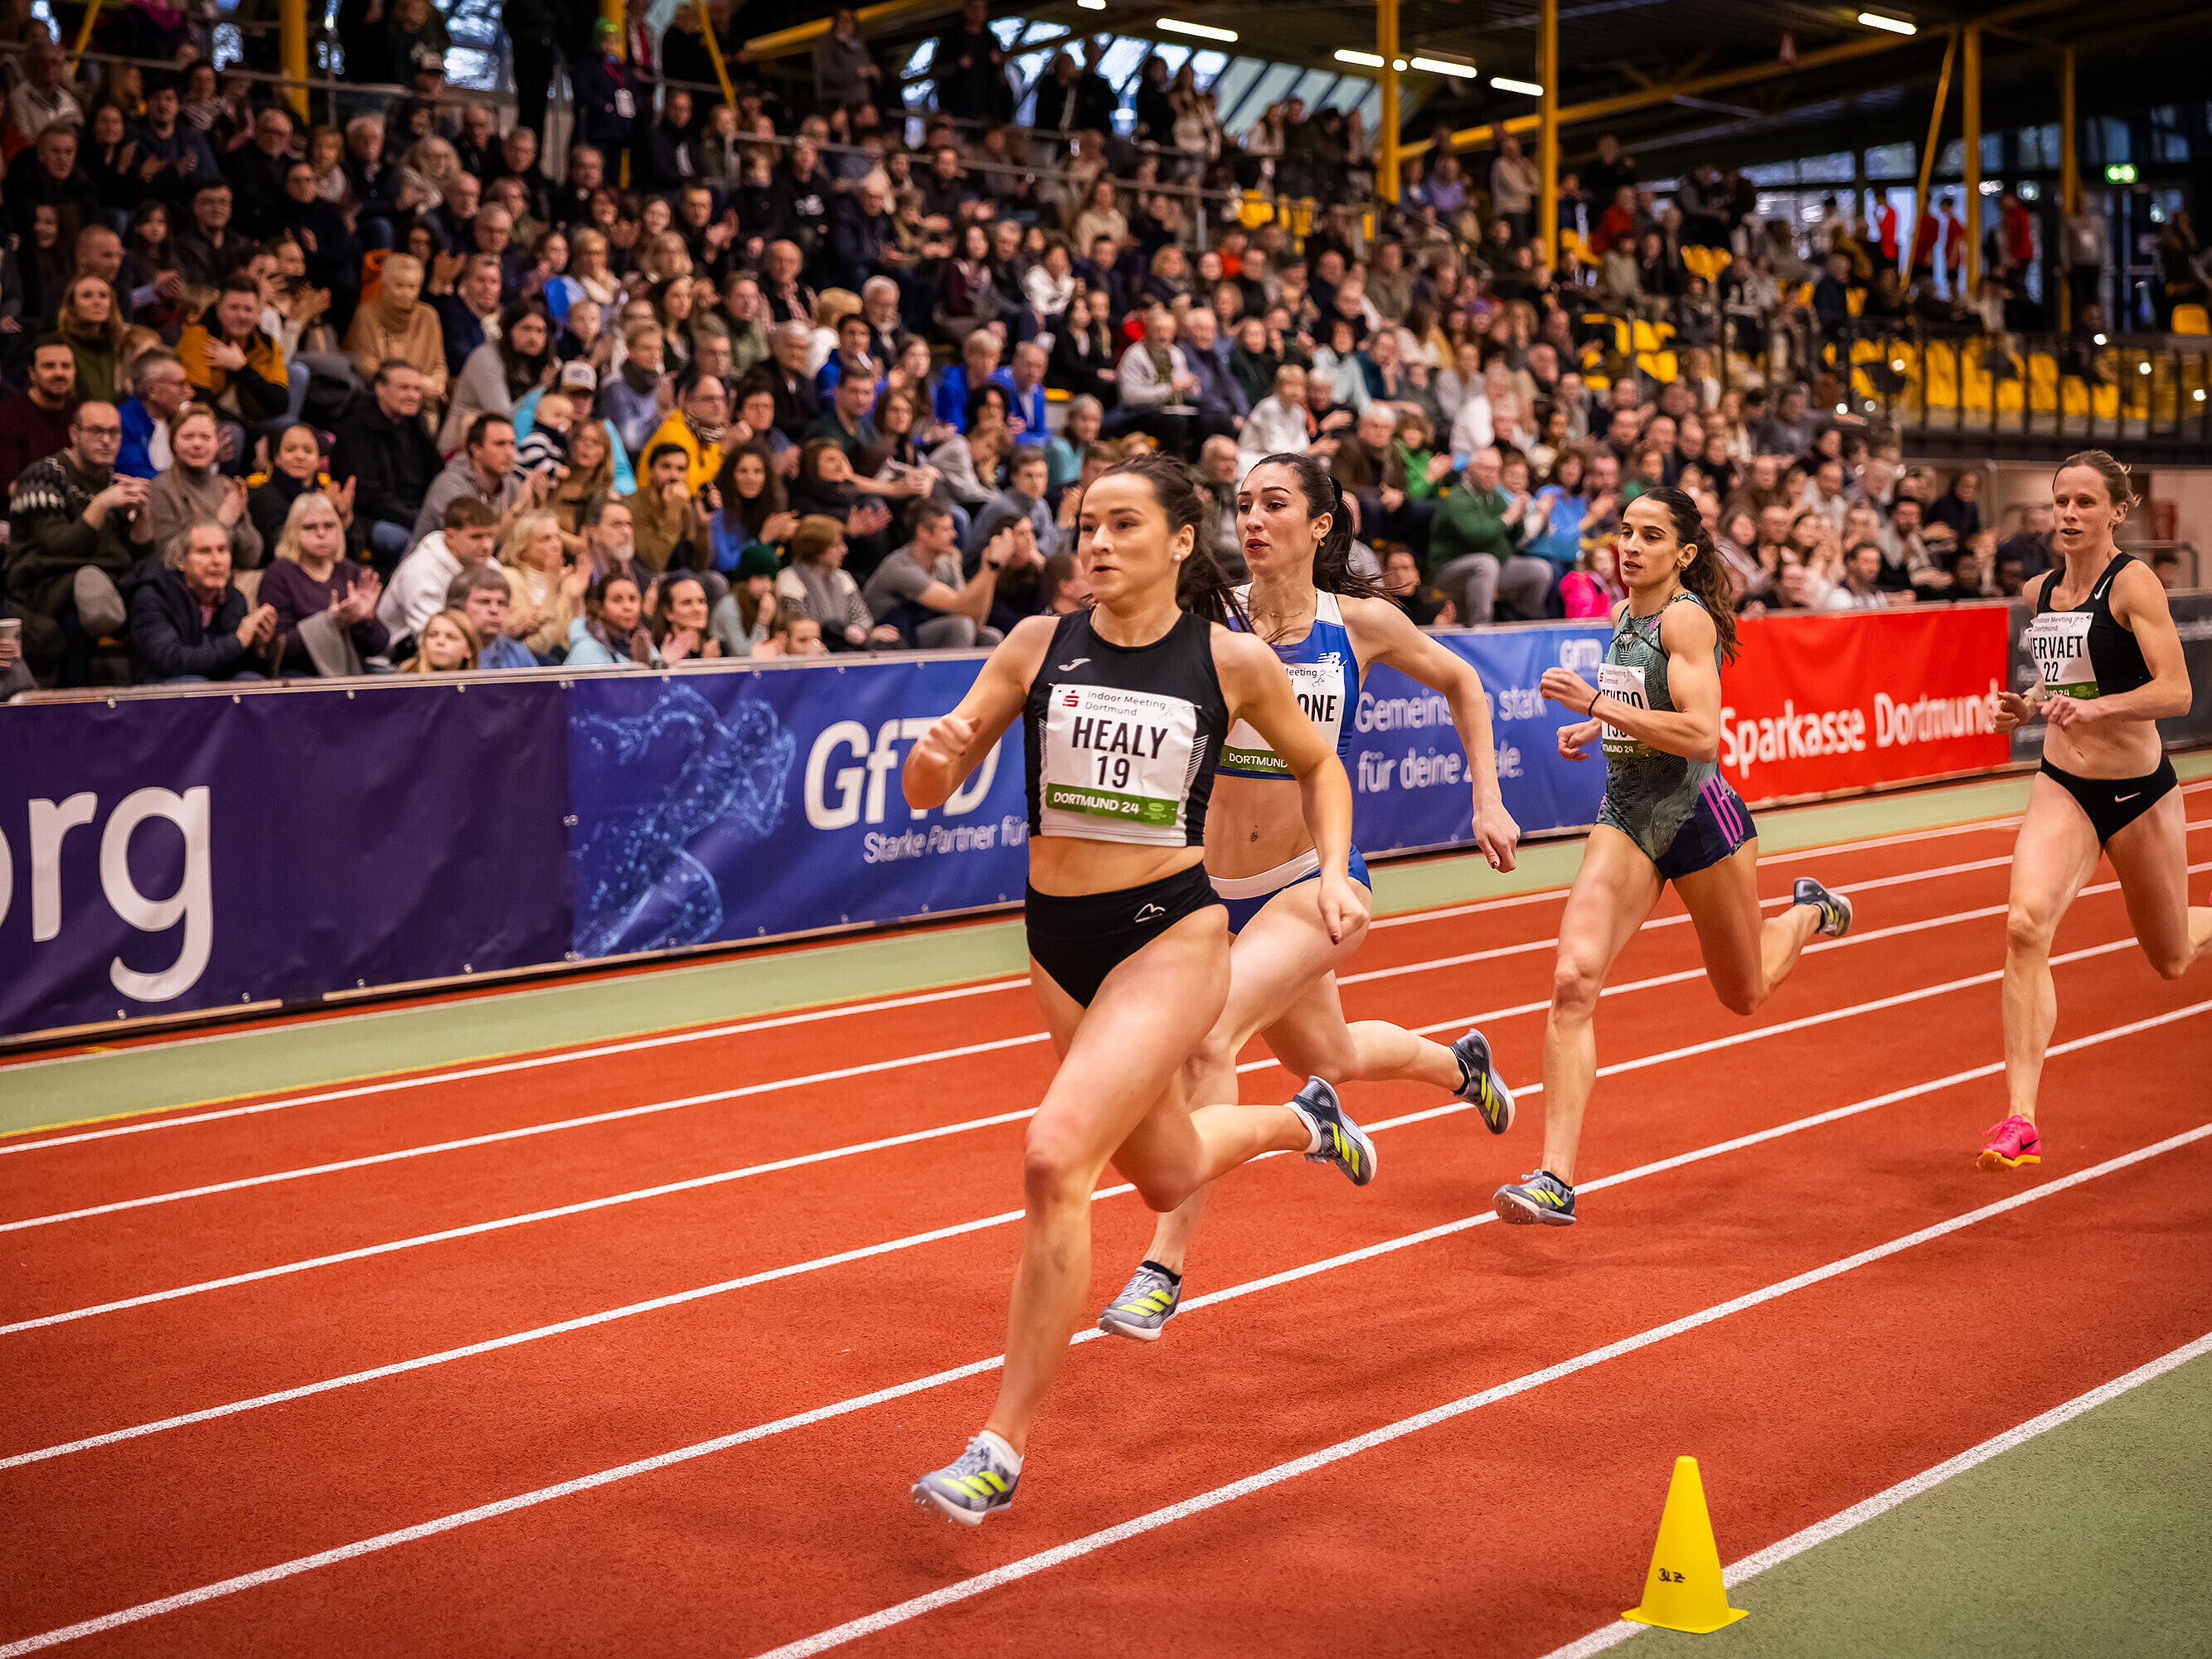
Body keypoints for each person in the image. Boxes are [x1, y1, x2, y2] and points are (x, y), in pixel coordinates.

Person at [905, 452, 1375, 1526]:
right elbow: (932, 781)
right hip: (1055, 941)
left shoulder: (1232, 661)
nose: (1099, 543)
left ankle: (998, 1445)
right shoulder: (1038, 645)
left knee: (1053, 1154)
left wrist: (1338, 870)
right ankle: (1306, 1124)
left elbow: (1322, 765)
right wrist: (932, 761)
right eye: (1085, 525)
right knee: (1166, 1169)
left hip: (1170, 932)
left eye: (1122, 524)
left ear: (1177, 542)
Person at [1096, 453, 1522, 1340]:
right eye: (1242, 505)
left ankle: (1162, 1268)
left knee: (1208, 1034)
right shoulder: (1203, 615)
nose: (1251, 520)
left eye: (1274, 504)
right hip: (1206, 889)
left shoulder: (1358, 623)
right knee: (1329, 1053)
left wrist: (1487, 796)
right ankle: (1461, 1069)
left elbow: (1462, 683)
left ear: (1320, 524)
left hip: (1312, 882)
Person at [1501, 487, 1853, 1226]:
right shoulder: (1624, 613)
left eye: (1649, 535)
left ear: (1683, 554)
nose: (1629, 545)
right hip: (1626, 816)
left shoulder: (1685, 617)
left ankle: (1810, 911)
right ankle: (1555, 1179)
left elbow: (1701, 734)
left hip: (1699, 818)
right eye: (1625, 531)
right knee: (1572, 979)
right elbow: (1647, 706)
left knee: (1746, 991)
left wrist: (1595, 707)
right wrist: (1603, 735)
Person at [1985, 452, 2209, 1172]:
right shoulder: (2038, 591)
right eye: (2061, 502)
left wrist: (2099, 707)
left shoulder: (2134, 584)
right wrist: (2025, 707)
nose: (2071, 515)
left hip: (2138, 791)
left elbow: (2176, 692)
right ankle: (2021, 1118)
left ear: (2119, 510)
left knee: (2171, 957)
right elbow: (2061, 686)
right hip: (2064, 785)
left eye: (2086, 502)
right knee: (2024, 926)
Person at [4, 399, 153, 686]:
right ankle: (75, 708)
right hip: (43, 586)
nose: (107, 440)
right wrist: (100, 505)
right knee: (79, 603)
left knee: (152, 587)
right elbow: (58, 545)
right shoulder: (42, 476)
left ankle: (152, 699)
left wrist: (144, 514)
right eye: (96, 431)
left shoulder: (113, 482)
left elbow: (142, 553)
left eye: (114, 432)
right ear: (74, 434)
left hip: (107, 581)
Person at [258, 489, 387, 675]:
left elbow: (378, 647)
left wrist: (366, 620)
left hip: (350, 669)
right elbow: (274, 650)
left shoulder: (350, 570)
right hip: (300, 673)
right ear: (293, 531)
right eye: (310, 527)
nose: (321, 533)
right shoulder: (279, 574)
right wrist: (329, 624)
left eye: (329, 526)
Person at [333, 360, 444, 574]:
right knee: (408, 541)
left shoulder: (417, 427)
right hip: (370, 519)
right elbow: (367, 496)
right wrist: (418, 521)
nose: (413, 395)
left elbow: (437, 477)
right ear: (380, 389)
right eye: (404, 388)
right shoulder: (355, 429)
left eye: (417, 389)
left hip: (414, 513)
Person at [130, 521, 277, 682]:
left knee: (252, 682)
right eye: (204, 551)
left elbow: (239, 665)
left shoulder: (235, 598)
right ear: (181, 561)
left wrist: (259, 647)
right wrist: (238, 641)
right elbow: (172, 662)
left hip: (214, 687)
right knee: (195, 685)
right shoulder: (153, 596)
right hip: (161, 692)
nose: (217, 560)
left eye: (222, 550)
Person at [1429, 447, 1551, 623]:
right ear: (1470, 469)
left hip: (1494, 566)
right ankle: (1482, 627)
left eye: (1495, 470)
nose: (1490, 474)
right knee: (1486, 564)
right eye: (1485, 469)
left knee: (1540, 570)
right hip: (1450, 569)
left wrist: (1519, 516)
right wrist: (1508, 517)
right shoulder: (1456, 498)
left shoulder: (1493, 497)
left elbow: (1515, 538)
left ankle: (1524, 624)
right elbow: (1476, 536)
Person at [862, 502, 1005, 649]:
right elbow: (961, 606)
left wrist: (993, 571)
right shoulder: (900, 568)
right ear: (923, 532)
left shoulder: (946, 562)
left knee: (991, 637)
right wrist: (989, 566)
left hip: (921, 629)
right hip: (892, 638)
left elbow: (974, 617)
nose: (954, 534)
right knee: (960, 626)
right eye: (946, 529)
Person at [146, 404, 264, 570]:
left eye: (205, 437)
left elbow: (251, 558)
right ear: (173, 443)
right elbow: (167, 558)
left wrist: (240, 519)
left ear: (217, 444)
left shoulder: (226, 486)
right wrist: (223, 523)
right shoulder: (161, 488)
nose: (197, 444)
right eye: (188, 437)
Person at [381, 494, 499, 647]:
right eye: (476, 537)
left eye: (491, 536)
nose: (487, 546)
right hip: (401, 657)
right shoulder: (420, 570)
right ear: (450, 537)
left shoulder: (490, 565)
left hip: (467, 649)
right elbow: (432, 637)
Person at [413, 414, 525, 546]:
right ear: (476, 449)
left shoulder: (510, 484)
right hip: (435, 564)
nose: (509, 452)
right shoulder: (450, 485)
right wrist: (518, 508)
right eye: (500, 444)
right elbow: (475, 542)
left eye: (512, 444)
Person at [0, 339, 80, 497]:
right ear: (32, 374)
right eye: (49, 366)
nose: (59, 373)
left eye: (66, 366)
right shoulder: (8, 416)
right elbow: (8, 487)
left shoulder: (79, 412)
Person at [448, 560, 537, 669]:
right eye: (484, 601)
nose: (494, 610)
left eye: (501, 603)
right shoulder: (444, 651)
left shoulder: (518, 652)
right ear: (458, 607)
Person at [399, 607, 480, 673]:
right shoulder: (401, 683)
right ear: (423, 642)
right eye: (433, 635)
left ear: (469, 649)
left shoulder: (479, 690)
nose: (440, 642)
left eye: (451, 637)